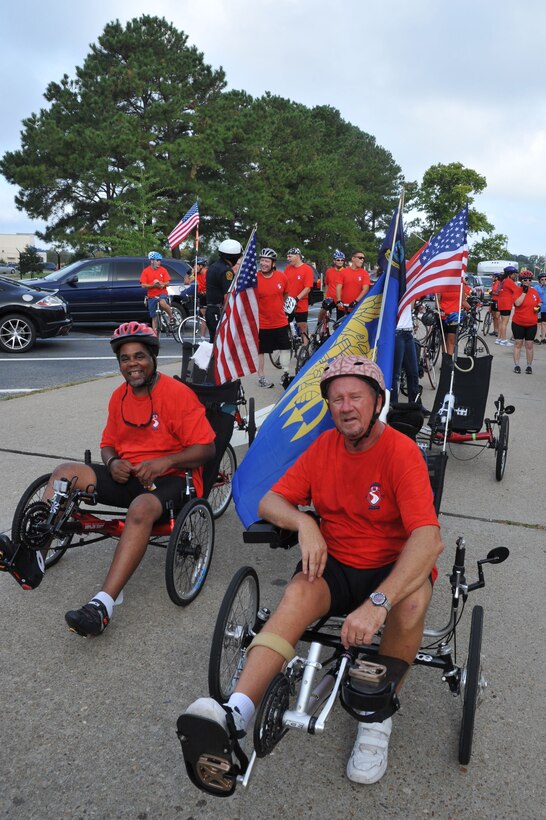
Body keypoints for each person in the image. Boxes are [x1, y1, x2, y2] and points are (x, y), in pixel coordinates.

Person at [182, 355, 443, 792]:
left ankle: (376, 722)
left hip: (391, 569)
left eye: (355, 396)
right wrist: (306, 523)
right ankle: (237, 712)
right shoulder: (322, 448)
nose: (345, 407)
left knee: (413, 601)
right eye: (336, 399)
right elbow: (270, 502)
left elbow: (428, 538)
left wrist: (379, 604)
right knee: (299, 591)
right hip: (338, 565)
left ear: (376, 401)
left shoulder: (402, 452)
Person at [0, 322, 215, 637]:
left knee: (140, 508)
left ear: (153, 358)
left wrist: (165, 461)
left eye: (139, 356)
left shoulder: (178, 394)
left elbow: (206, 449)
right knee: (64, 473)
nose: (132, 364)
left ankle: (103, 605)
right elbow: (107, 444)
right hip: (125, 476)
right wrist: (112, 461)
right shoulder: (119, 396)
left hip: (171, 479)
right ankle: (33, 558)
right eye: (125, 358)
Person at [255, 248, 291, 389]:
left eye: (266, 261)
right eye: (262, 260)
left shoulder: (282, 277)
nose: (263, 263)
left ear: (273, 263)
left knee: (285, 348)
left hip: (280, 321)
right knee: (261, 351)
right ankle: (261, 376)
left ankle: (286, 373)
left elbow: (285, 294)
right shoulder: (255, 278)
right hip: (262, 323)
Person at [392, 303, 430, 414]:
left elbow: (411, 306)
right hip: (397, 331)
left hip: (408, 332)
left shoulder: (409, 288)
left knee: (413, 372)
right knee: (396, 373)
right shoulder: (397, 286)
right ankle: (393, 405)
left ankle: (415, 404)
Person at [205, 239, 243, 342]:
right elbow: (228, 295)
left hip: (211, 310)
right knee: (220, 343)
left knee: (214, 342)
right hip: (218, 311)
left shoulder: (213, 266)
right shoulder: (226, 271)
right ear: (233, 256)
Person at [511, 270, 541, 374]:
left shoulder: (534, 292)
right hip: (518, 322)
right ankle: (517, 365)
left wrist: (538, 307)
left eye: (529, 280)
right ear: (521, 281)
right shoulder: (517, 291)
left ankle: (529, 366)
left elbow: (539, 302)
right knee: (518, 343)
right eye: (525, 280)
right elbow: (517, 303)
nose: (527, 282)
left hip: (531, 323)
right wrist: (524, 292)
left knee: (529, 344)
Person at [140, 251, 175, 332]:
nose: (159, 262)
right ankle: (155, 337)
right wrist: (153, 285)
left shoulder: (163, 270)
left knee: (162, 302)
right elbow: (143, 285)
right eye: (157, 260)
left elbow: (168, 282)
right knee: (154, 317)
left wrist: (162, 284)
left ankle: (171, 316)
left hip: (162, 293)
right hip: (151, 296)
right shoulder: (146, 271)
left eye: (160, 260)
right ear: (152, 261)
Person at [284, 248, 315, 341]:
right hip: (288, 302)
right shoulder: (288, 268)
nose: (288, 259)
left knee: (302, 326)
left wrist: (296, 299)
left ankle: (305, 347)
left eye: (290, 256)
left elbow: (308, 287)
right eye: (287, 257)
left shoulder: (307, 269)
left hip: (301, 303)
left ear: (297, 256)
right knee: (284, 324)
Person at [438, 281, 471, 356]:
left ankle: (448, 362)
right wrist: (440, 309)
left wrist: (471, 308)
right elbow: (437, 302)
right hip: (443, 316)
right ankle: (445, 359)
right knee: (445, 340)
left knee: (451, 340)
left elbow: (463, 301)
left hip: (455, 316)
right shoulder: (442, 283)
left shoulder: (460, 285)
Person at [336, 251, 370, 318]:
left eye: (363, 258)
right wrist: (338, 300)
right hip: (343, 307)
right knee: (340, 327)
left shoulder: (364, 273)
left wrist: (356, 301)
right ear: (353, 258)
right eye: (360, 258)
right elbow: (338, 287)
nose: (362, 260)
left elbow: (365, 289)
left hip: (357, 307)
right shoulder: (343, 272)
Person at [495, 265, 519, 346]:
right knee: (505, 322)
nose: (515, 276)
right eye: (514, 274)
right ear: (510, 274)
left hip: (501, 302)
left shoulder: (503, 280)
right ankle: (504, 339)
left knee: (502, 322)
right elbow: (517, 290)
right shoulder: (509, 281)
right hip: (506, 303)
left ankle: (499, 338)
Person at [323, 250, 347, 321]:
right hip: (330, 298)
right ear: (334, 261)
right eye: (338, 260)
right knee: (323, 312)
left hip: (340, 299)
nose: (340, 261)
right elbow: (327, 284)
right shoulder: (329, 271)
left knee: (340, 319)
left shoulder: (346, 272)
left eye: (342, 260)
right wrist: (325, 297)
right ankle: (319, 326)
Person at [533, 272, 546, 344]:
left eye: (545, 279)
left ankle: (543, 338)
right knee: (538, 324)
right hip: (539, 308)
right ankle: (536, 338)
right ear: (539, 280)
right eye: (542, 279)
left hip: (545, 308)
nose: (544, 281)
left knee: (544, 323)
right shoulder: (536, 287)